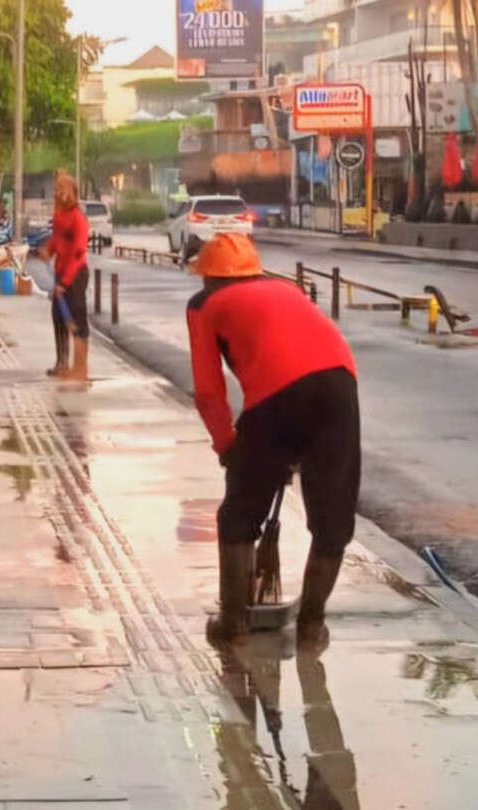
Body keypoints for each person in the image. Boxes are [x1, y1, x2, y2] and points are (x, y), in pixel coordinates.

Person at [185, 233, 359, 647]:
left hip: (277, 394)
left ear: (208, 278)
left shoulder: (204, 305)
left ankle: (234, 624)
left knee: (240, 515)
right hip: (340, 384)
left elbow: (209, 392)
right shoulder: (287, 288)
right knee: (332, 518)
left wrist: (228, 447)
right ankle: (312, 627)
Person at [39, 171, 90, 380]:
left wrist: (65, 283)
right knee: (58, 318)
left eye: (60, 189)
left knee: (76, 321)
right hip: (61, 273)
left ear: (71, 192)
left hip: (76, 276)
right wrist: (48, 251)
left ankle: (80, 367)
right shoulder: (59, 216)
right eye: (55, 189)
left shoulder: (79, 220)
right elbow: (56, 240)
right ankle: (61, 363)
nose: (56, 193)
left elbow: (78, 254)